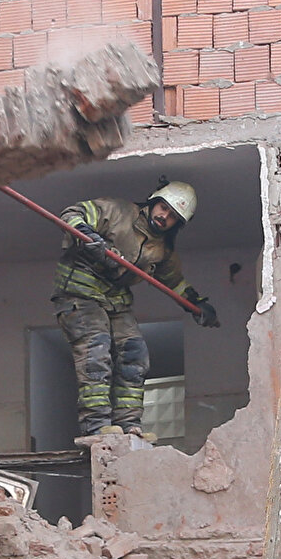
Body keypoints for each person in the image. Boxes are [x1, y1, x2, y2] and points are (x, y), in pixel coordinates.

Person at [51, 180, 220, 441]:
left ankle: (129, 424)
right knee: (96, 351)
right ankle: (96, 425)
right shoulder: (117, 211)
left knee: (135, 355)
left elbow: (173, 281)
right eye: (163, 208)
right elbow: (72, 214)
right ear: (153, 202)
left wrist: (197, 303)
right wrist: (89, 237)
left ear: (178, 224)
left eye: (173, 216)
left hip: (116, 300)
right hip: (80, 293)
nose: (164, 217)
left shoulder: (162, 249)